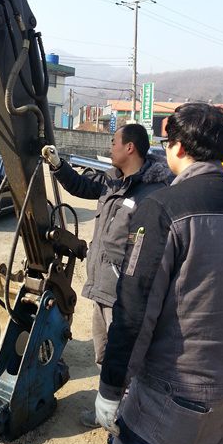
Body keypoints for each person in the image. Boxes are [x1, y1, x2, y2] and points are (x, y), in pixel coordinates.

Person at [95, 103, 223, 444]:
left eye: (167, 142)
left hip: (173, 398)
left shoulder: (164, 208)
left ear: (178, 147)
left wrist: (110, 388)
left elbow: (135, 309)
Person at [42, 124, 172, 427]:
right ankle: (109, 413)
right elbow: (81, 187)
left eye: (114, 141)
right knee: (104, 354)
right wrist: (58, 165)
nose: (110, 146)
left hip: (127, 295)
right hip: (102, 286)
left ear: (130, 148)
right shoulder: (112, 181)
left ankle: (129, 421)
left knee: (129, 360)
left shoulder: (153, 193)